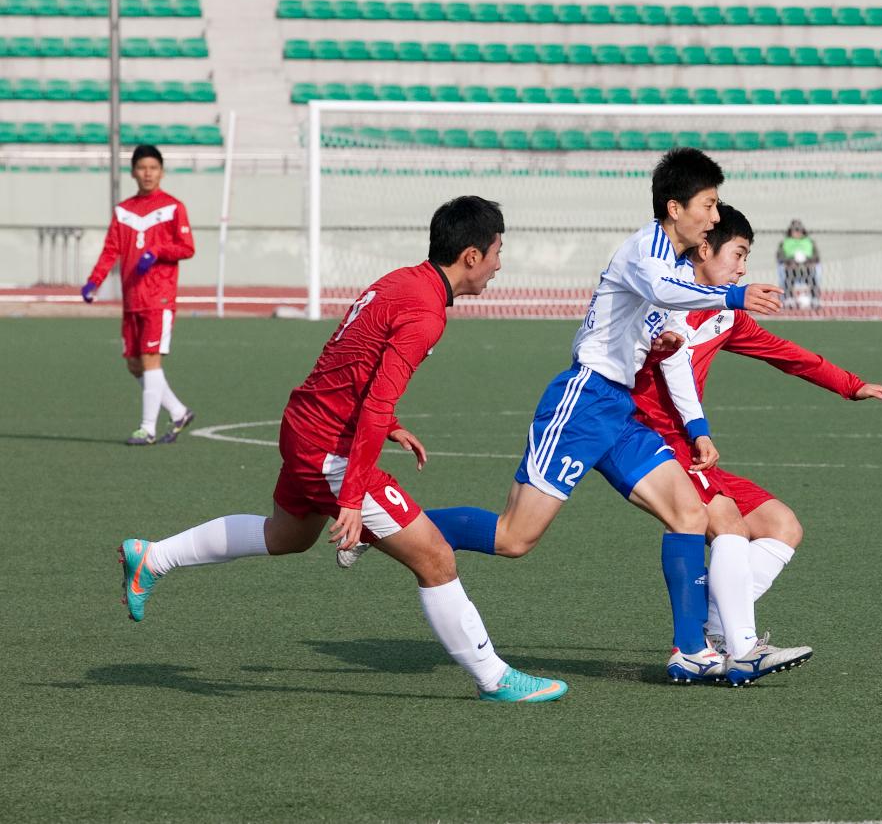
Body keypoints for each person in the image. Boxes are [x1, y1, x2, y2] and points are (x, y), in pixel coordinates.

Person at [337, 149, 788, 685]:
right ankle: (382, 527)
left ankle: (691, 650)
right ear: (675, 207)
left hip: (618, 410)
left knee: (690, 515)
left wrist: (658, 344)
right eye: (709, 205)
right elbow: (664, 294)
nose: (715, 218)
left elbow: (643, 318)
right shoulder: (647, 251)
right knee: (514, 539)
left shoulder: (671, 264)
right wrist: (733, 293)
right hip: (582, 403)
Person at [117, 196, 568, 703]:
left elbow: (350, 358)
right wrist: (351, 498)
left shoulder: (401, 280)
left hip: (305, 426)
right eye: (496, 252)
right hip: (330, 447)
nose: (499, 265)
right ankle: (494, 677)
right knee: (435, 558)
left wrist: (390, 425)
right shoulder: (425, 311)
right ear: (470, 256)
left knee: (286, 535)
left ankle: (152, 557)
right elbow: (374, 402)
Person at [633, 204, 882, 683]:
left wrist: (851, 384)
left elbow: (785, 354)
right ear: (703, 248)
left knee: (783, 526)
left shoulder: (726, 315)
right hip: (655, 441)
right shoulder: (663, 300)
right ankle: (740, 648)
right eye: (738, 255)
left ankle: (715, 627)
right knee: (728, 524)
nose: (743, 268)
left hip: (693, 447)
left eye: (746, 258)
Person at [81, 144, 197, 445]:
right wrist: (94, 281)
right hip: (132, 298)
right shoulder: (123, 211)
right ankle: (178, 411)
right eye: (142, 168)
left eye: (153, 168)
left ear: (162, 171)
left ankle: (147, 428)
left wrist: (157, 251)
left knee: (149, 359)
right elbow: (111, 251)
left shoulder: (173, 207)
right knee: (134, 364)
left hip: (159, 298)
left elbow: (187, 248)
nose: (148, 173)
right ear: (133, 171)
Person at [776, 218, 821, 309]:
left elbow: (816, 257)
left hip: (807, 267)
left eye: (799, 230)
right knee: (788, 276)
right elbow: (780, 257)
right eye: (795, 230)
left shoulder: (810, 242)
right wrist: (790, 261)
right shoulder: (784, 242)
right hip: (790, 268)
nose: (797, 232)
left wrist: (808, 260)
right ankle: (788, 299)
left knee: (813, 276)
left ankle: (814, 299)